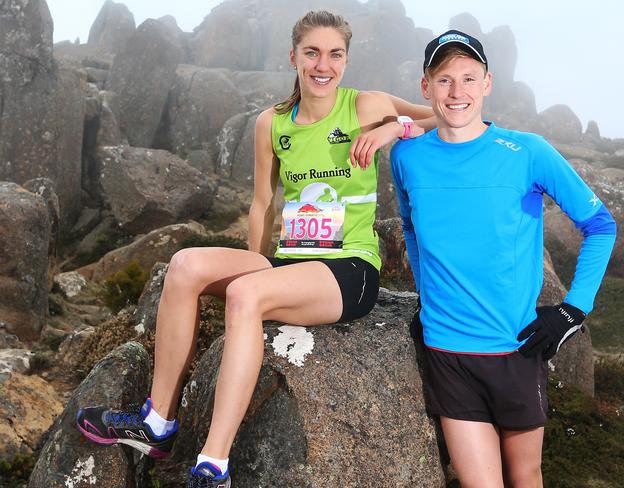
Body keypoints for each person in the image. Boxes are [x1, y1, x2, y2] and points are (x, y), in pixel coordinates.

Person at [75, 10, 435, 487]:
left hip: (349, 268)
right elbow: (263, 202)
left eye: (334, 54)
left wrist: (395, 128)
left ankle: (214, 464)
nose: (322, 64)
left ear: (346, 60)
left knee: (247, 296)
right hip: (289, 259)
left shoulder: (366, 105)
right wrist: (257, 262)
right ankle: (157, 423)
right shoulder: (273, 123)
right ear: (294, 57)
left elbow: (449, 115)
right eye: (312, 53)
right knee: (184, 266)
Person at [379, 30, 616, 487]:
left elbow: (601, 226)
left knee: (525, 477)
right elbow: (410, 226)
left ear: (487, 83)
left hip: (516, 349)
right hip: (447, 351)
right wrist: (429, 291)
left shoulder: (527, 152)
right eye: (444, 79)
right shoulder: (407, 155)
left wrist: (573, 309)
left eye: (469, 78)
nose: (457, 92)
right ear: (425, 87)